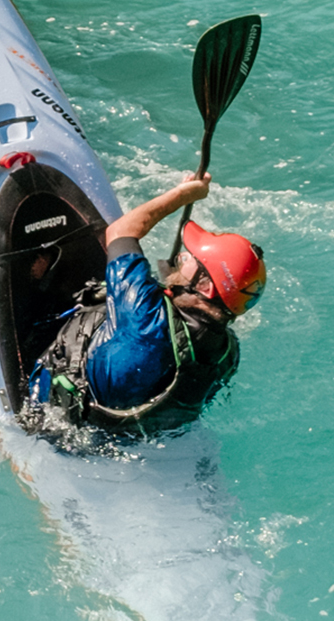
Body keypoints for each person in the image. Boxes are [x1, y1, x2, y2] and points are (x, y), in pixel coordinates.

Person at [27, 172, 265, 433]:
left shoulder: (143, 314)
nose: (182, 257)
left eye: (190, 260)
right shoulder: (227, 353)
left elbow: (120, 231)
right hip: (119, 434)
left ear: (205, 287)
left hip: (51, 418)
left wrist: (183, 194)